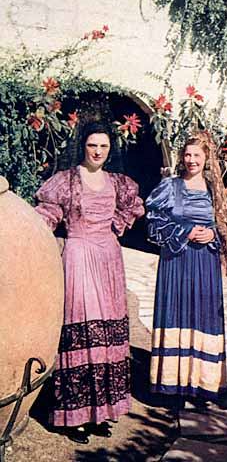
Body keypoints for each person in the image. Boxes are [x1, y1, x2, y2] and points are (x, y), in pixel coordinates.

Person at [35, 121, 144, 442]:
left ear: (111, 150)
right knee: (81, 330)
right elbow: (48, 213)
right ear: (83, 146)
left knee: (107, 332)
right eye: (92, 145)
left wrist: (116, 226)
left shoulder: (118, 183)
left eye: (104, 146)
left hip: (109, 258)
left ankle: (100, 411)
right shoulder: (66, 182)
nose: (97, 151)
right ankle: (73, 416)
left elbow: (133, 208)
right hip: (79, 256)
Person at [146, 131, 227, 403]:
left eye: (197, 155)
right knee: (177, 314)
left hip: (205, 264)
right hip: (177, 263)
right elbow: (153, 223)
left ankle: (201, 384)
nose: (191, 160)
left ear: (206, 158)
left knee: (203, 317)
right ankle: (173, 384)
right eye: (187, 155)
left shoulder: (214, 189)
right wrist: (186, 232)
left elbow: (225, 229)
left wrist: (213, 235)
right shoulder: (169, 187)